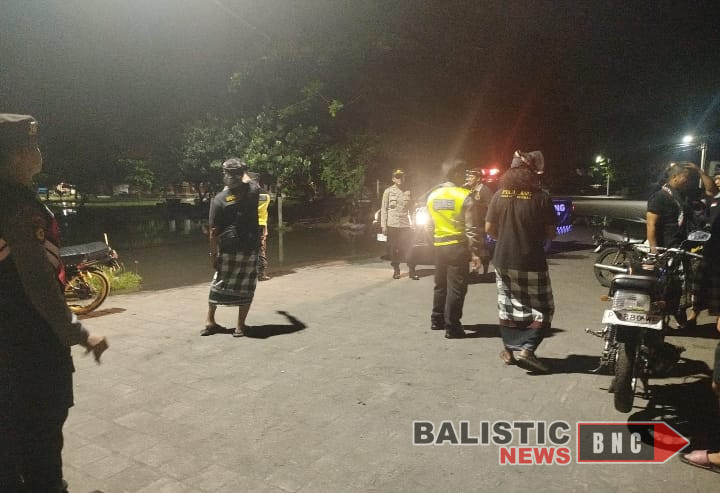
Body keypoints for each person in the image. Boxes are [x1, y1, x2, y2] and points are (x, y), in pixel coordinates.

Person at [0, 114, 108, 493]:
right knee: (40, 441)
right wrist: (80, 334)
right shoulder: (18, 206)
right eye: (31, 146)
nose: (38, 152)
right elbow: (38, 285)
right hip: (27, 345)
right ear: (15, 155)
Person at [485, 150, 556, 372]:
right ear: (531, 173)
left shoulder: (499, 195)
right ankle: (527, 350)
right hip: (531, 261)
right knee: (543, 307)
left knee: (508, 305)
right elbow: (551, 233)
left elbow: (489, 228)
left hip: (503, 260)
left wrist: (506, 239)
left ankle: (508, 350)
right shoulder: (541, 197)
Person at [647, 162, 718, 328]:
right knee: (664, 287)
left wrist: (699, 170)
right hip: (666, 249)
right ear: (675, 177)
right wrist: (654, 249)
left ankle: (678, 312)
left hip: (682, 248)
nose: (688, 180)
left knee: (681, 286)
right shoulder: (659, 197)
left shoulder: (683, 195)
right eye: (686, 177)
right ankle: (660, 320)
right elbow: (651, 224)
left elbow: (712, 190)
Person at [202, 158, 261, 338]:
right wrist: (242, 173)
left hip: (228, 248)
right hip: (249, 247)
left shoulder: (219, 199)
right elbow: (249, 180)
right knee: (247, 285)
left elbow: (213, 232)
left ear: (226, 175)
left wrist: (213, 256)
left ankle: (210, 320)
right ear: (242, 174)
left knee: (219, 282)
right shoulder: (253, 191)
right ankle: (240, 326)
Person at [426, 160, 480, 338]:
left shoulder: (432, 196)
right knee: (457, 287)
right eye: (463, 173)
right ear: (456, 174)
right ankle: (453, 327)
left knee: (440, 284)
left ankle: (437, 319)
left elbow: (428, 225)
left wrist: (433, 241)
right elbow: (471, 229)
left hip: (439, 245)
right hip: (457, 246)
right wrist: (475, 252)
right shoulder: (464, 196)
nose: (465, 177)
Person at [380, 168, 418, 280]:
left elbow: (412, 209)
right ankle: (396, 270)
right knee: (394, 249)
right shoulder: (388, 191)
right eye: (397, 177)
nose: (399, 179)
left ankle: (412, 270)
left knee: (409, 248)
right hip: (392, 224)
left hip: (405, 224)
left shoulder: (408, 191)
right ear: (393, 179)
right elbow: (384, 209)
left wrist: (414, 222)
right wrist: (383, 225)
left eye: (401, 176)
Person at [465, 167, 494, 277]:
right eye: (468, 176)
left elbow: (491, 208)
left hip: (481, 224)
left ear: (478, 178)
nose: (468, 179)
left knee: (483, 249)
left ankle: (485, 272)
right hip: (473, 224)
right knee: (474, 248)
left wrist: (487, 222)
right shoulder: (471, 190)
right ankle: (475, 271)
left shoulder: (485, 191)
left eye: (471, 177)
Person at [254, 176, 272, 282]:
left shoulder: (248, 194)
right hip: (261, 223)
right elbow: (265, 210)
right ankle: (261, 273)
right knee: (261, 248)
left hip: (249, 224)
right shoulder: (266, 194)